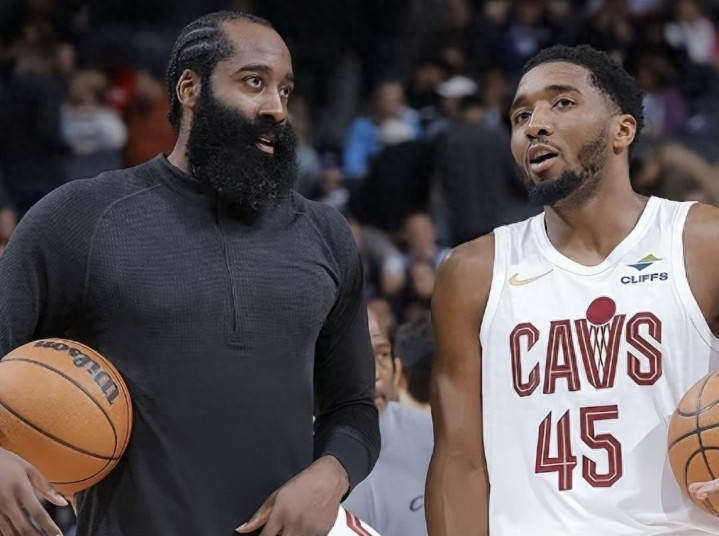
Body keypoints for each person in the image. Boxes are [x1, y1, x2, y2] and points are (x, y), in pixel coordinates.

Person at [0, 11, 380, 536]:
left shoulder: (326, 234)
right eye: (254, 82)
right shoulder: (82, 217)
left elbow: (354, 407)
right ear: (190, 89)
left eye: (285, 90)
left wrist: (331, 475)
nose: (276, 108)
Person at [426, 44, 719, 535]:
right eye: (520, 115)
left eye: (561, 103)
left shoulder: (702, 242)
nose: (534, 125)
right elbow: (459, 460)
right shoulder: (473, 272)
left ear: (622, 130)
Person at [344, 307, 433, 536]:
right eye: (355, 356)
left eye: (382, 355)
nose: (375, 374)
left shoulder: (434, 439)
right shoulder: (295, 459)